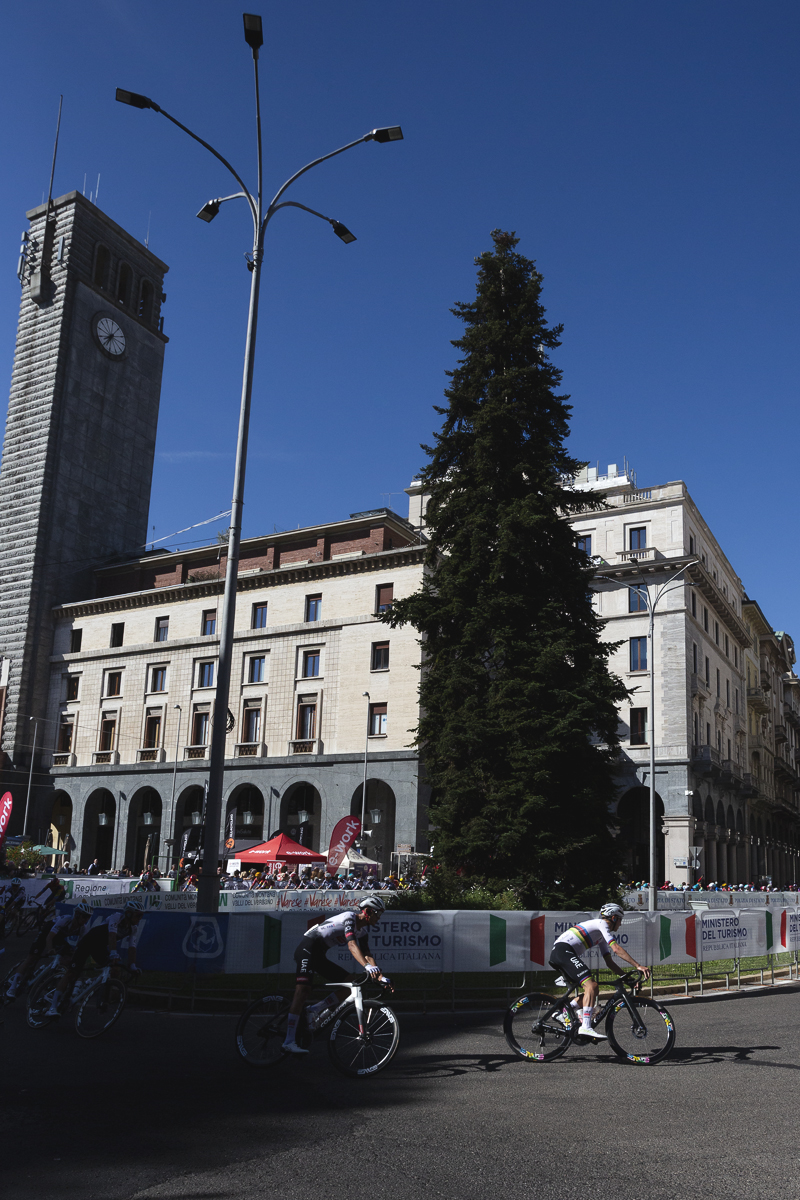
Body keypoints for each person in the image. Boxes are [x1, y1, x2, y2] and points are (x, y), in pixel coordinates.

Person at [282, 895, 390, 1055]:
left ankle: (314, 1010)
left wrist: (381, 977)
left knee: (350, 985)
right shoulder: (349, 918)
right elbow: (352, 945)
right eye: (377, 914)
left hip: (319, 954)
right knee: (303, 989)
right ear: (367, 911)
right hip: (307, 948)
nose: (379, 918)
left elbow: (367, 954)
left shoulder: (362, 931)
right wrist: (367, 966)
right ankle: (289, 1041)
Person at [548, 903, 650, 1041]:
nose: (620, 925)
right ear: (614, 918)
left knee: (593, 990)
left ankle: (564, 1011)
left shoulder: (600, 936)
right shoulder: (602, 924)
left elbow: (609, 962)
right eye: (620, 920)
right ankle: (586, 1026)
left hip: (563, 953)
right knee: (592, 986)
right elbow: (616, 949)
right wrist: (638, 966)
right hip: (563, 952)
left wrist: (626, 978)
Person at [46, 898, 144, 1017]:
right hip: (88, 942)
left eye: (141, 916)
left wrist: (132, 965)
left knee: (115, 969)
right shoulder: (116, 918)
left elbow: (132, 948)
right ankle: (52, 1007)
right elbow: (112, 935)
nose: (140, 918)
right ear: (128, 913)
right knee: (71, 972)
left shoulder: (133, 928)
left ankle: (98, 992)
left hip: (99, 946)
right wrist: (113, 952)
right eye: (138, 915)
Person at [5, 900, 93, 999]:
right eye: (84, 916)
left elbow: (79, 947)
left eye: (88, 917)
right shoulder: (65, 920)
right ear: (77, 915)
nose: (86, 919)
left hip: (59, 937)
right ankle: (12, 988)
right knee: (32, 957)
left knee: (69, 957)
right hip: (47, 932)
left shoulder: (83, 929)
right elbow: (49, 938)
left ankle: (54, 985)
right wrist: (50, 949)